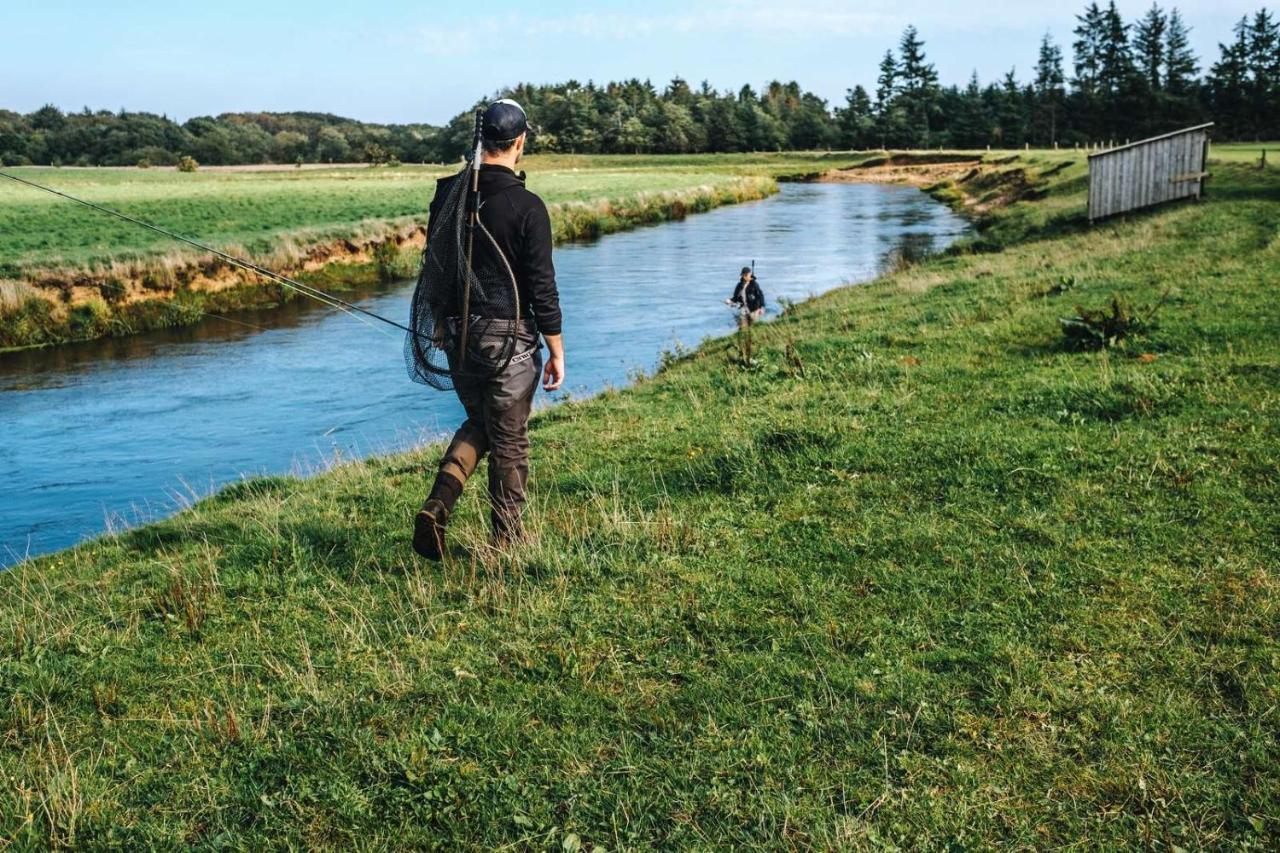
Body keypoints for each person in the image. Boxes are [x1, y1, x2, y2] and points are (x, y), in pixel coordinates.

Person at [412, 99, 565, 560]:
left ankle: (437, 507)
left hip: (458, 336)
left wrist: (440, 322)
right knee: (510, 441)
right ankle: (508, 543)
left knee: (481, 421)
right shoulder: (528, 205)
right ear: (519, 142)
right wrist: (556, 350)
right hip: (510, 343)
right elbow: (542, 286)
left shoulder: (448, 195)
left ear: (480, 142)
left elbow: (436, 267)